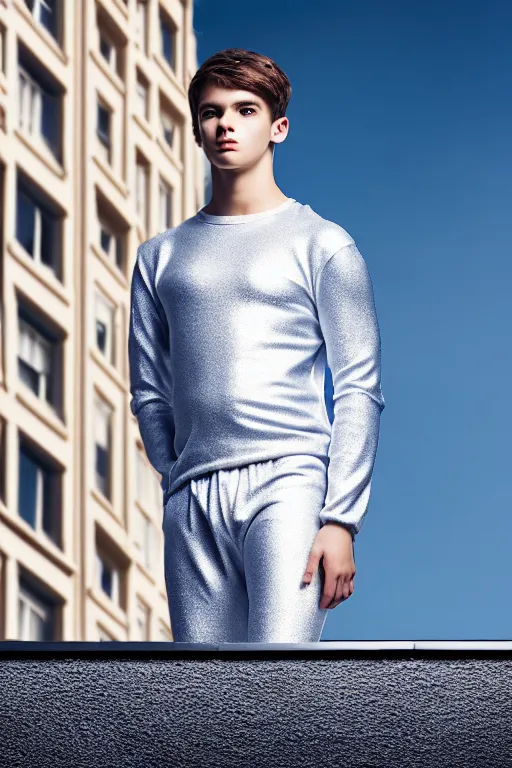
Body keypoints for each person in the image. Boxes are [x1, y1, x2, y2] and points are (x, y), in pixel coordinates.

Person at [128, 48, 385, 643]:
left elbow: (358, 388)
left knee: (280, 685)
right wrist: (177, 477)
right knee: (205, 699)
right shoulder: (158, 257)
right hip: (194, 496)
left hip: (289, 481)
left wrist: (341, 518)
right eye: (212, 112)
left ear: (277, 127)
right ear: (196, 128)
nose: (226, 124)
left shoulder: (322, 245)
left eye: (245, 110)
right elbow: (149, 391)